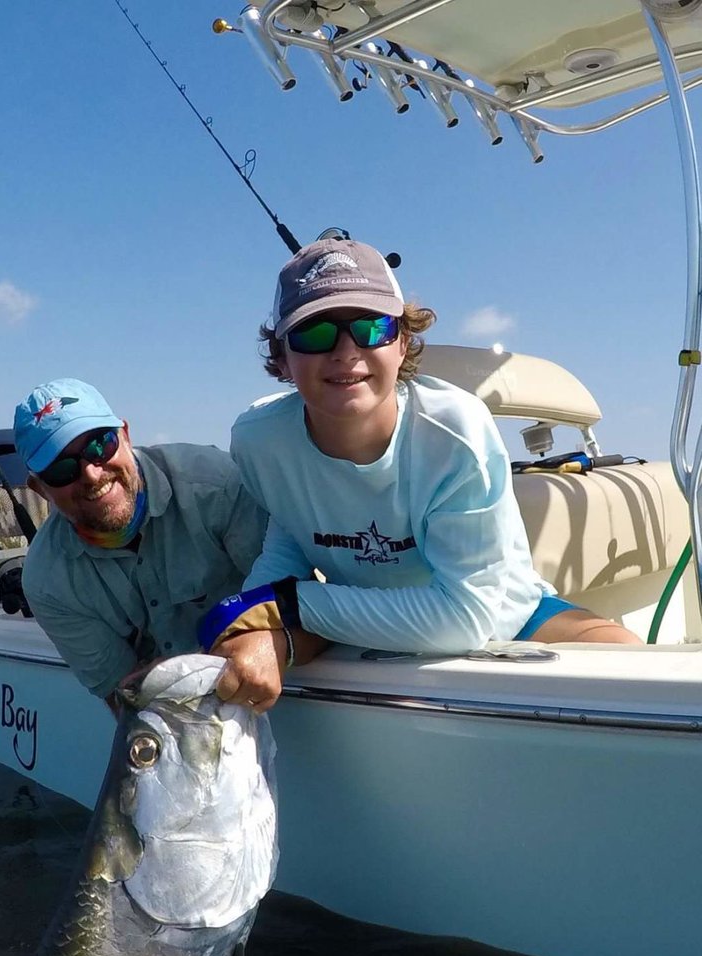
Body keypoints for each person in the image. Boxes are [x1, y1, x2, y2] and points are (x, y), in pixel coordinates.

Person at [199, 237, 640, 710]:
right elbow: (289, 529)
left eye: (371, 328)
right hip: (363, 619)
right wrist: (253, 622)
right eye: (314, 333)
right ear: (282, 356)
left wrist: (287, 605)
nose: (346, 352)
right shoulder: (259, 439)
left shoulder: (456, 432)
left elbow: (468, 616)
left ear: (403, 342)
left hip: (502, 616)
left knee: (635, 669)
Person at [13, 378, 268, 703]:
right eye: (62, 469)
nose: (92, 474)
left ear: (126, 435)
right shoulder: (47, 581)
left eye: (99, 445)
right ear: (39, 490)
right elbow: (124, 696)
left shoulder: (219, 486)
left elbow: (291, 599)